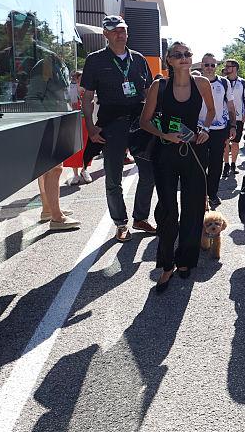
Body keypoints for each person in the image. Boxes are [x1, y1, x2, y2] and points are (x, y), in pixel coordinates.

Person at [141, 42, 214, 289]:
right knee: (168, 210)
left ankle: (186, 261)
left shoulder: (201, 83)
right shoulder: (159, 86)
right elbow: (144, 121)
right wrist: (165, 135)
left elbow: (211, 112)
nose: (184, 58)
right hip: (165, 153)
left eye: (187, 54)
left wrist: (205, 129)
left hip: (194, 152)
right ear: (169, 61)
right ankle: (166, 265)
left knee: (193, 208)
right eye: (178, 55)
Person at [80, 15, 157, 242]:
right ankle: (121, 223)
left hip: (139, 123)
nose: (119, 34)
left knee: (149, 174)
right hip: (112, 124)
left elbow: (149, 92)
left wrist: (155, 120)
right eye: (114, 31)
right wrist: (91, 127)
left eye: (122, 29)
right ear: (105, 34)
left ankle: (140, 218)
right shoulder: (95, 60)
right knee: (113, 178)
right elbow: (87, 98)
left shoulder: (139, 59)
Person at [26, 48, 81, 231]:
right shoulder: (45, 65)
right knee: (54, 169)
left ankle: (49, 209)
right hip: (50, 122)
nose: (68, 48)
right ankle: (56, 217)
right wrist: (47, 122)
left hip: (57, 121)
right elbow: (33, 97)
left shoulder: (58, 65)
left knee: (49, 169)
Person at [198, 53, 236, 208]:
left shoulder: (224, 83)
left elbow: (231, 106)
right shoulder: (195, 81)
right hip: (199, 129)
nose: (209, 68)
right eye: (206, 64)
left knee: (216, 164)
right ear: (201, 65)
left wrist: (233, 125)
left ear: (216, 66)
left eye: (212, 65)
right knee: (200, 164)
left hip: (219, 129)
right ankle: (200, 195)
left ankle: (212, 194)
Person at [221, 59, 245, 176]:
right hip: (224, 118)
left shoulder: (243, 83)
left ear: (235, 68)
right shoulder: (222, 81)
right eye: (226, 66)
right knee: (225, 142)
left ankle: (233, 164)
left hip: (238, 118)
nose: (226, 68)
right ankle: (226, 165)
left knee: (236, 143)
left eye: (229, 66)